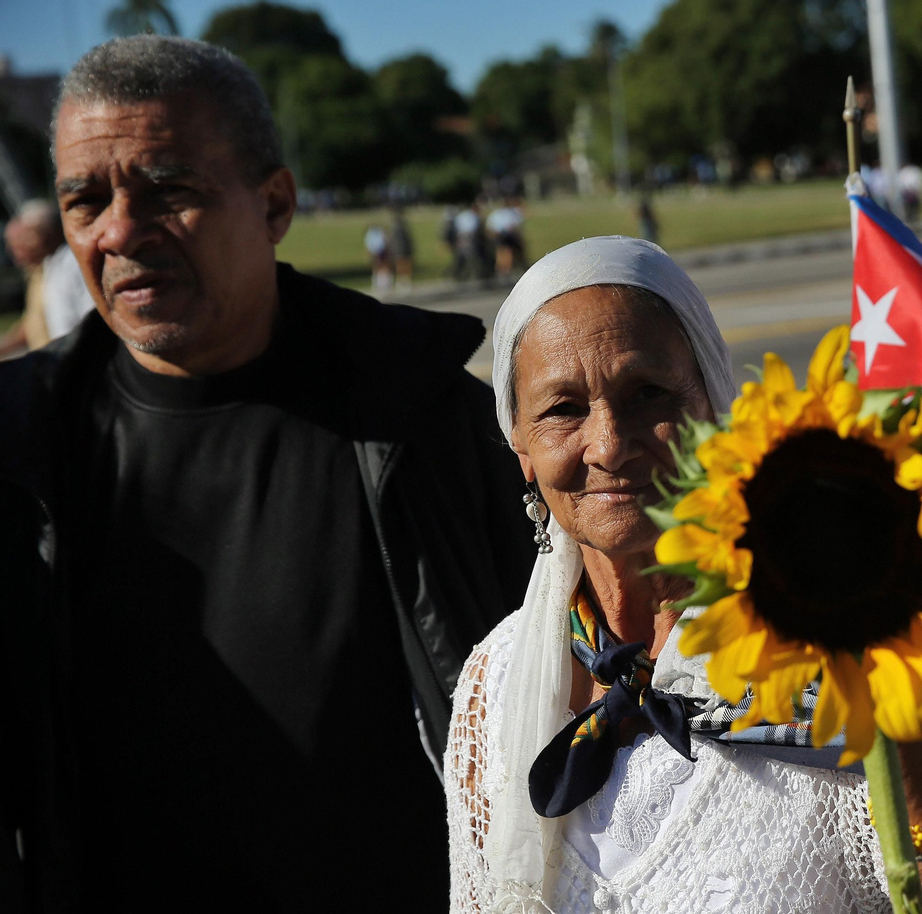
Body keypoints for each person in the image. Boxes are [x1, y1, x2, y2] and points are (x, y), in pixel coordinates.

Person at [0, 36, 539, 910]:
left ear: (275, 202)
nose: (120, 231)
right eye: (85, 200)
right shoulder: (18, 449)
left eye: (169, 189)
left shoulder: (426, 419)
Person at [444, 235, 922, 913]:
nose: (608, 443)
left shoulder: (829, 624)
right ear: (523, 452)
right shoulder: (497, 683)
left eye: (647, 393)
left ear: (712, 406)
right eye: (563, 408)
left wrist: (897, 717)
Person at [0, 199, 96, 357]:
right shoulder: (45, 268)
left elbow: (90, 321)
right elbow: (31, 324)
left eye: (24, 238)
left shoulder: (72, 264)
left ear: (44, 234)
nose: (13, 252)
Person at [389, 203, 414, 289]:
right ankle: (401, 281)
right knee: (400, 265)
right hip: (398, 249)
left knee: (406, 265)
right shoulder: (396, 227)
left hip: (402, 248)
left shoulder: (401, 226)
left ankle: (405, 281)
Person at [364, 222, 392, 293]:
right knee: (377, 266)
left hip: (381, 251)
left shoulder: (380, 233)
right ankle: (377, 282)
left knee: (384, 266)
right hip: (376, 251)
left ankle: (385, 282)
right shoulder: (371, 234)